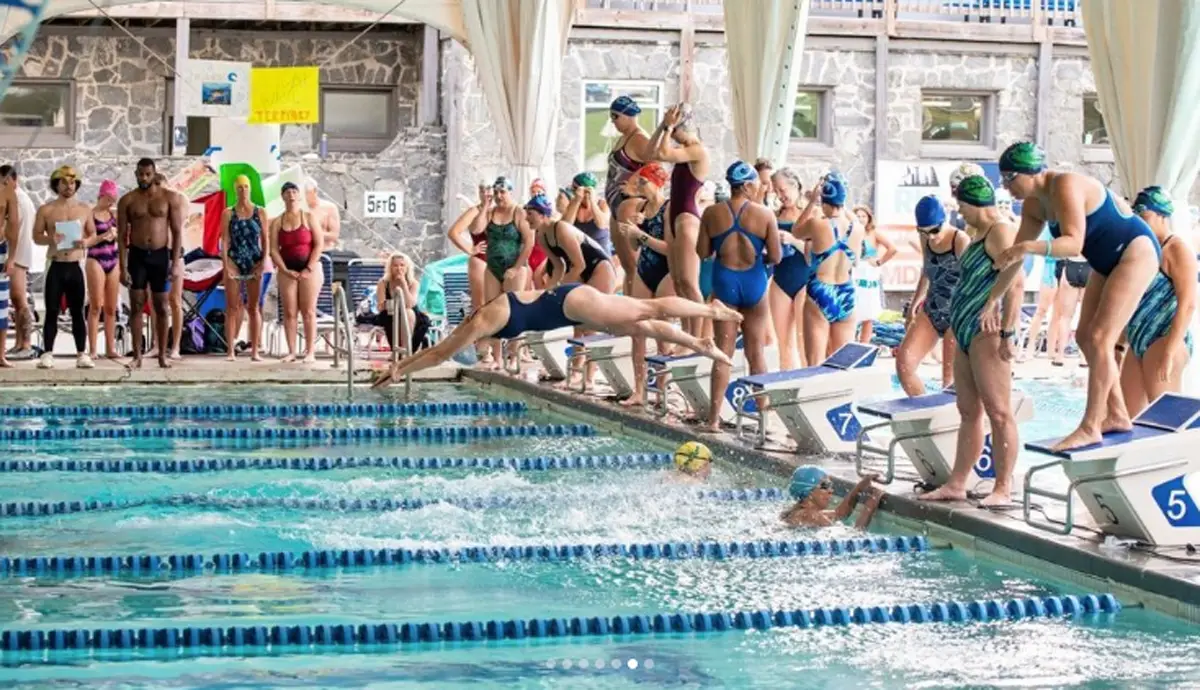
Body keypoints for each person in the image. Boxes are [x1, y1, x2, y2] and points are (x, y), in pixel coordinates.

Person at [985, 142, 1162, 451]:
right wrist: (992, 300)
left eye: (1009, 178)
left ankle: (1091, 425)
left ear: (1031, 172)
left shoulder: (1065, 185)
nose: (1006, 186)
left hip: (1136, 252)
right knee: (1083, 337)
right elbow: (1012, 260)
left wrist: (1027, 247)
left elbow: (1073, 243)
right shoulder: (1033, 205)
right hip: (1106, 262)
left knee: (1099, 339)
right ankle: (1118, 414)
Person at [371, 284, 742, 388]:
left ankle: (712, 311)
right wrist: (400, 366)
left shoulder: (482, 322)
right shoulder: (482, 318)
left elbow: (439, 354)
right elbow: (439, 349)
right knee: (637, 326)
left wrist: (400, 370)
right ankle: (699, 344)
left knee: (649, 310)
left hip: (572, 303)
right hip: (570, 302)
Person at [919, 176, 1022, 506]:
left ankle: (1003, 488)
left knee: (999, 411)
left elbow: (1016, 283)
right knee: (968, 411)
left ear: (976, 203)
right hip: (964, 329)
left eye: (962, 206)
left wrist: (1008, 332)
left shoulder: (1000, 231)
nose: (960, 213)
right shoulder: (979, 234)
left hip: (987, 334)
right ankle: (957, 483)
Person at [699, 161, 781, 431]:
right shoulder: (765, 214)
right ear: (746, 185)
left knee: (723, 353)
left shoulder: (711, 213)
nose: (758, 187)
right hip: (754, 281)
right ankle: (764, 420)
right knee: (755, 353)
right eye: (755, 183)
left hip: (724, 283)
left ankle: (713, 420)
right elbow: (776, 257)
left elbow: (703, 252)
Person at [1120, 187, 1196, 416]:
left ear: (1162, 216)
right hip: (1139, 340)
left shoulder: (1177, 249)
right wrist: (1120, 343)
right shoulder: (1145, 248)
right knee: (1126, 417)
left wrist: (1170, 350)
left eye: (1145, 217)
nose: (1140, 222)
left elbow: (1189, 303)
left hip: (1164, 338)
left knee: (1164, 419)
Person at [896, 195, 968, 395]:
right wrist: (913, 307)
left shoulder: (959, 240)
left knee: (949, 382)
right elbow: (927, 271)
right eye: (923, 232)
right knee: (904, 366)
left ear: (944, 221)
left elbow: (972, 282)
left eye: (935, 230)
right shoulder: (926, 238)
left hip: (957, 313)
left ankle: (954, 424)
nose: (931, 237)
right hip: (933, 309)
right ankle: (925, 411)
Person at [615, 163, 673, 406]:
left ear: (658, 183)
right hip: (644, 270)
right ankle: (639, 390)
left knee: (661, 331)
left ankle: (662, 391)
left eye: (643, 182)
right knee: (637, 331)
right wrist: (634, 233)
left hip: (666, 272)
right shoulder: (641, 208)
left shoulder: (669, 209)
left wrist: (642, 236)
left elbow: (672, 249)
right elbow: (636, 248)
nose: (638, 186)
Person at [648, 104, 710, 336]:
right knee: (679, 283)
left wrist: (668, 126)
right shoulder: (684, 149)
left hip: (687, 220)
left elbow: (662, 154)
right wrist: (664, 127)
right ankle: (687, 336)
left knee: (689, 283)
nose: (671, 135)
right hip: (675, 218)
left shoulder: (698, 150)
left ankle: (699, 337)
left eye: (674, 130)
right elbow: (653, 153)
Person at [118, 159, 185, 369]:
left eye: (147, 174)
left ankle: (162, 355)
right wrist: (122, 267)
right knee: (137, 305)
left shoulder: (169, 198)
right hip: (137, 256)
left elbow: (176, 232)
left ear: (154, 174)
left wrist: (175, 264)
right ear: (135, 174)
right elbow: (121, 236)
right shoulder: (127, 201)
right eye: (140, 174)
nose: (143, 178)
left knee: (162, 307)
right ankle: (137, 356)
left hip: (160, 256)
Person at [33, 166, 96, 369]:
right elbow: (36, 236)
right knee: (51, 310)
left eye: (72, 183)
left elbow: (92, 234)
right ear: (56, 184)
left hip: (75, 264)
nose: (69, 187)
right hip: (56, 264)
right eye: (64, 183)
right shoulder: (47, 209)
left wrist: (85, 243)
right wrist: (51, 239)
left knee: (78, 310)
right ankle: (48, 352)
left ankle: (81, 353)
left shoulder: (85, 209)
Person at [468, 176, 533, 367]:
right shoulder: (490, 212)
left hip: (515, 266)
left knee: (514, 311)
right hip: (493, 267)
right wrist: (485, 206)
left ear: (510, 192)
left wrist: (517, 266)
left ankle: (514, 357)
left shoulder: (519, 212)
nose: (498, 196)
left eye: (502, 192)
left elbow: (529, 242)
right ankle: (497, 358)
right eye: (496, 192)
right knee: (493, 311)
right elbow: (476, 229)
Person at [797, 177, 863, 363]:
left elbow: (796, 231)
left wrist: (811, 203)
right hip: (846, 293)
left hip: (821, 291)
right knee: (843, 364)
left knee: (815, 363)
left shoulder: (818, 224)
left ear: (823, 201)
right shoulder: (858, 228)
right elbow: (856, 262)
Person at [268, 181, 325, 363]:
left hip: (309, 268)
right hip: (287, 270)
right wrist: (284, 270)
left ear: (299, 196)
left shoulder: (308, 217)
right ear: (282, 196)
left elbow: (318, 244)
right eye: (287, 192)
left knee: (308, 311)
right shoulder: (277, 221)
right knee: (290, 312)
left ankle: (310, 352)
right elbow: (274, 249)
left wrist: (309, 267)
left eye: (294, 191)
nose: (291, 195)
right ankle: (292, 351)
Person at [604, 95, 654, 295]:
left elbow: (657, 169)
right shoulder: (625, 137)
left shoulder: (640, 139)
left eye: (615, 116)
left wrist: (635, 187)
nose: (613, 121)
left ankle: (639, 310)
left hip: (630, 204)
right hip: (617, 205)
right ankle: (629, 310)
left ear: (627, 115)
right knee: (626, 266)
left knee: (634, 266)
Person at [767, 169, 816, 370]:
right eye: (776, 191)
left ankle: (807, 383)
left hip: (804, 278)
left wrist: (793, 241)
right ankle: (785, 388)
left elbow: (816, 254)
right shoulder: (773, 216)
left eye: (783, 189)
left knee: (804, 343)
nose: (781, 195)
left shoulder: (812, 214)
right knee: (784, 344)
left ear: (795, 185)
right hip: (780, 280)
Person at [219, 174, 269, 362]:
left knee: (254, 307)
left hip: (254, 258)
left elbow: (265, 240)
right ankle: (230, 350)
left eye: (246, 187)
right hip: (235, 258)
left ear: (250, 188)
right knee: (232, 307)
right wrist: (226, 265)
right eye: (239, 187)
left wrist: (262, 263)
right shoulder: (228, 213)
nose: (243, 191)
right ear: (235, 189)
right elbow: (224, 240)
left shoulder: (260, 212)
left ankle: (255, 350)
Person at [446, 187, 489, 356]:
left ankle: (479, 344)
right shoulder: (475, 211)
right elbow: (454, 233)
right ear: (479, 193)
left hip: (497, 262)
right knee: (480, 306)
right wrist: (470, 249)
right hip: (480, 260)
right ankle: (477, 346)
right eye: (485, 191)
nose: (489, 194)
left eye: (492, 190)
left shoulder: (503, 211)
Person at [85, 180, 122, 360]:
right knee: (95, 306)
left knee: (111, 308)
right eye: (109, 199)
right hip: (96, 259)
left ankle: (110, 348)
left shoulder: (114, 215)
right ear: (102, 196)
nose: (111, 202)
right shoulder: (90, 215)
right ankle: (92, 349)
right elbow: (85, 242)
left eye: (113, 199)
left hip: (113, 260)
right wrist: (102, 237)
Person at [1, 166, 35, 360]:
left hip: (18, 254)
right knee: (16, 299)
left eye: (5, 181)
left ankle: (26, 343)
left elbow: (13, 230)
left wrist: (11, 258)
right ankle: (19, 343)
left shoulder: (19, 200)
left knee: (19, 298)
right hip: (19, 253)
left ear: (14, 179)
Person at [780, 466, 883, 529]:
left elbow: (840, 513)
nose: (831, 491)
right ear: (809, 491)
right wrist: (872, 503)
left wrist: (861, 485)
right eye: (825, 486)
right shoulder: (812, 515)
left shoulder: (800, 512)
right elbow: (854, 536)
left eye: (830, 485)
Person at [852, 205, 896, 346]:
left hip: (869, 273)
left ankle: (864, 345)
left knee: (868, 312)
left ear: (869, 218)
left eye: (863, 216)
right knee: (852, 309)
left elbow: (892, 248)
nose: (860, 219)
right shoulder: (850, 232)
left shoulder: (873, 233)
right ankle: (850, 343)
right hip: (854, 272)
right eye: (858, 216)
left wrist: (879, 261)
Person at [1018, 225, 1060, 363]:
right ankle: (1030, 346)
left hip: (1064, 267)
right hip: (1051, 268)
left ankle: (1051, 349)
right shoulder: (1051, 226)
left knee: (1058, 314)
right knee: (1041, 310)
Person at [375, 252, 428, 355]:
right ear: (390, 267)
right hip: (389, 314)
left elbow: (410, 304)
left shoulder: (413, 283)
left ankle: (404, 351)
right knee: (401, 315)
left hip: (411, 315)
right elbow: (380, 306)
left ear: (407, 267)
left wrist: (403, 284)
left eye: (402, 265)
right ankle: (400, 351)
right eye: (395, 265)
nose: (399, 268)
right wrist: (390, 304)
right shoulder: (383, 283)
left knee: (409, 313)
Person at [1049, 252, 1089, 367]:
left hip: (1071, 264)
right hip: (1088, 265)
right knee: (1086, 317)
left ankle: (1060, 356)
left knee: (1065, 317)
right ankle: (1083, 357)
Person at [561, 172, 612, 256]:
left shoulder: (602, 204)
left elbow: (602, 224)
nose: (573, 191)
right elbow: (565, 226)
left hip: (601, 255)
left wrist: (592, 201)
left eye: (574, 188)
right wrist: (577, 200)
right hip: (580, 257)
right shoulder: (574, 203)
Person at [0, 169, 17, 368]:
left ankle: (1, 354)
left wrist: (12, 258)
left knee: (1, 307)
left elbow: (13, 227)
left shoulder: (8, 194)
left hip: (1, 250)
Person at [302, 177, 341, 248]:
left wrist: (313, 233)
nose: (304, 197)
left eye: (306, 193)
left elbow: (334, 235)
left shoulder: (329, 208)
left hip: (324, 251)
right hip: (303, 252)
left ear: (315, 191)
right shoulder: (299, 209)